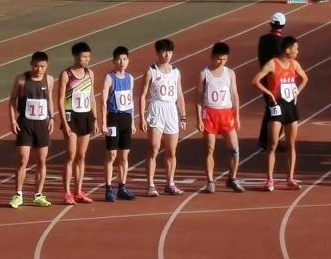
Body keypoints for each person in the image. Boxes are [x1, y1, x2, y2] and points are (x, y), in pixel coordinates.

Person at [252, 36, 310, 191]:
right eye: (296, 49)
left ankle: (290, 178)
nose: (297, 52)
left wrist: (297, 91)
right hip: (276, 106)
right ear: (287, 50)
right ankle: (269, 180)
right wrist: (269, 94)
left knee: (291, 144)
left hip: (290, 106)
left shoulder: (294, 64)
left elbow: (305, 78)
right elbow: (255, 80)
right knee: (272, 144)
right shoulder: (273, 64)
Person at [141, 39, 187, 196]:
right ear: (157, 52)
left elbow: (179, 94)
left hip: (171, 111)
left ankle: (170, 183)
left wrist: (183, 116)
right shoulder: (151, 71)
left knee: (171, 151)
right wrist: (142, 117)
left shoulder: (176, 72)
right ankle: (150, 184)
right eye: (164, 51)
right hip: (156, 110)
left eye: (170, 51)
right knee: (153, 148)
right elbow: (142, 95)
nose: (167, 55)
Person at [198, 42, 246, 193]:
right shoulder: (204, 74)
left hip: (226, 115)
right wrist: (199, 119)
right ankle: (210, 181)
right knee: (209, 149)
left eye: (224, 59)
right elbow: (199, 98)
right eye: (219, 59)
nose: (221, 62)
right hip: (210, 115)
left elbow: (235, 95)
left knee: (235, 150)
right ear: (212, 56)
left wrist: (237, 116)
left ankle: (232, 178)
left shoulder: (230, 73)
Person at [8, 52, 54, 209]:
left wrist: (52, 117)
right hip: (25, 123)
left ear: (47, 66)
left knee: (42, 160)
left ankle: (38, 195)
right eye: (36, 66)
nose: (39, 69)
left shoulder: (49, 80)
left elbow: (50, 99)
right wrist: (13, 120)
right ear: (31, 64)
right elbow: (12, 100)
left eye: (42, 66)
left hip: (42, 124)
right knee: (23, 159)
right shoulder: (21, 79)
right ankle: (18, 195)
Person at [58, 42, 99, 205]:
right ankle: (67, 192)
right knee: (71, 154)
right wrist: (64, 122)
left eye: (88, 56)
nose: (87, 59)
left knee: (81, 156)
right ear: (75, 57)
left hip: (86, 116)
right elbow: (60, 100)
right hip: (71, 117)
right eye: (84, 57)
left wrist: (95, 118)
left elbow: (92, 97)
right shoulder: (66, 74)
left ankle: (79, 191)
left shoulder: (90, 74)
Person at [101, 46, 137, 202]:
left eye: (124, 59)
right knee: (112, 154)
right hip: (113, 118)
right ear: (114, 61)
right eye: (119, 60)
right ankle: (108, 188)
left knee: (124, 155)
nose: (122, 62)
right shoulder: (109, 78)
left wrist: (133, 121)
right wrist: (104, 123)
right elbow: (103, 101)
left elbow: (131, 101)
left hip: (126, 119)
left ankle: (122, 187)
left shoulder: (130, 78)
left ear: (128, 60)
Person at [257, 13, 286, 150]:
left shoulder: (263, 39)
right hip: (276, 79)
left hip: (264, 77)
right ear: (283, 26)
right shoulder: (281, 43)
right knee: (277, 110)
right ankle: (271, 141)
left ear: (270, 24)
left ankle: (265, 139)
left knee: (271, 109)